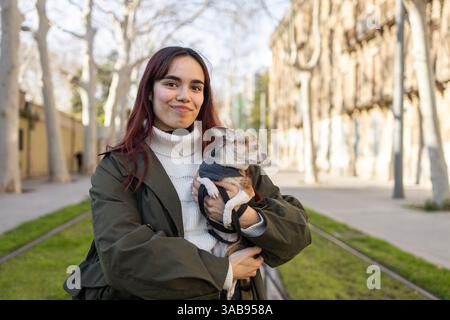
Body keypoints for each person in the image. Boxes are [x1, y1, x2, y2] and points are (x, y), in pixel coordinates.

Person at [63, 46, 311, 300]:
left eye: (196, 87)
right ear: (149, 91)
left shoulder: (231, 152)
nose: (185, 96)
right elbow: (123, 253)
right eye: (171, 84)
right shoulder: (118, 167)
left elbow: (296, 231)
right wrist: (223, 271)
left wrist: (244, 216)